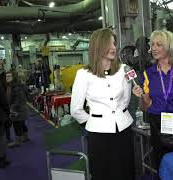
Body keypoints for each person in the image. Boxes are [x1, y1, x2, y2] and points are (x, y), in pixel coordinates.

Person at [70, 28, 135, 180]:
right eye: (109, 44)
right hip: (98, 136)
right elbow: (76, 109)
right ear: (98, 46)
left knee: (126, 172)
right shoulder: (83, 75)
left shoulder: (122, 70)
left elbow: (125, 100)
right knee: (102, 173)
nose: (114, 47)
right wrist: (94, 121)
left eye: (114, 43)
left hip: (123, 131)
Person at [132, 30, 173, 171]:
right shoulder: (148, 74)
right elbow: (144, 107)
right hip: (157, 122)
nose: (153, 48)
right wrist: (141, 97)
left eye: (158, 45)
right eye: (152, 45)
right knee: (160, 162)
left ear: (170, 47)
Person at [6, 71, 30, 148]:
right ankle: (26, 137)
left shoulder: (16, 86)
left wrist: (12, 108)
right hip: (19, 108)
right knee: (22, 123)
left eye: (9, 76)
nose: (7, 78)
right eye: (6, 76)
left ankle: (17, 141)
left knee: (16, 124)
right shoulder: (11, 85)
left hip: (18, 109)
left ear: (13, 77)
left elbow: (19, 99)